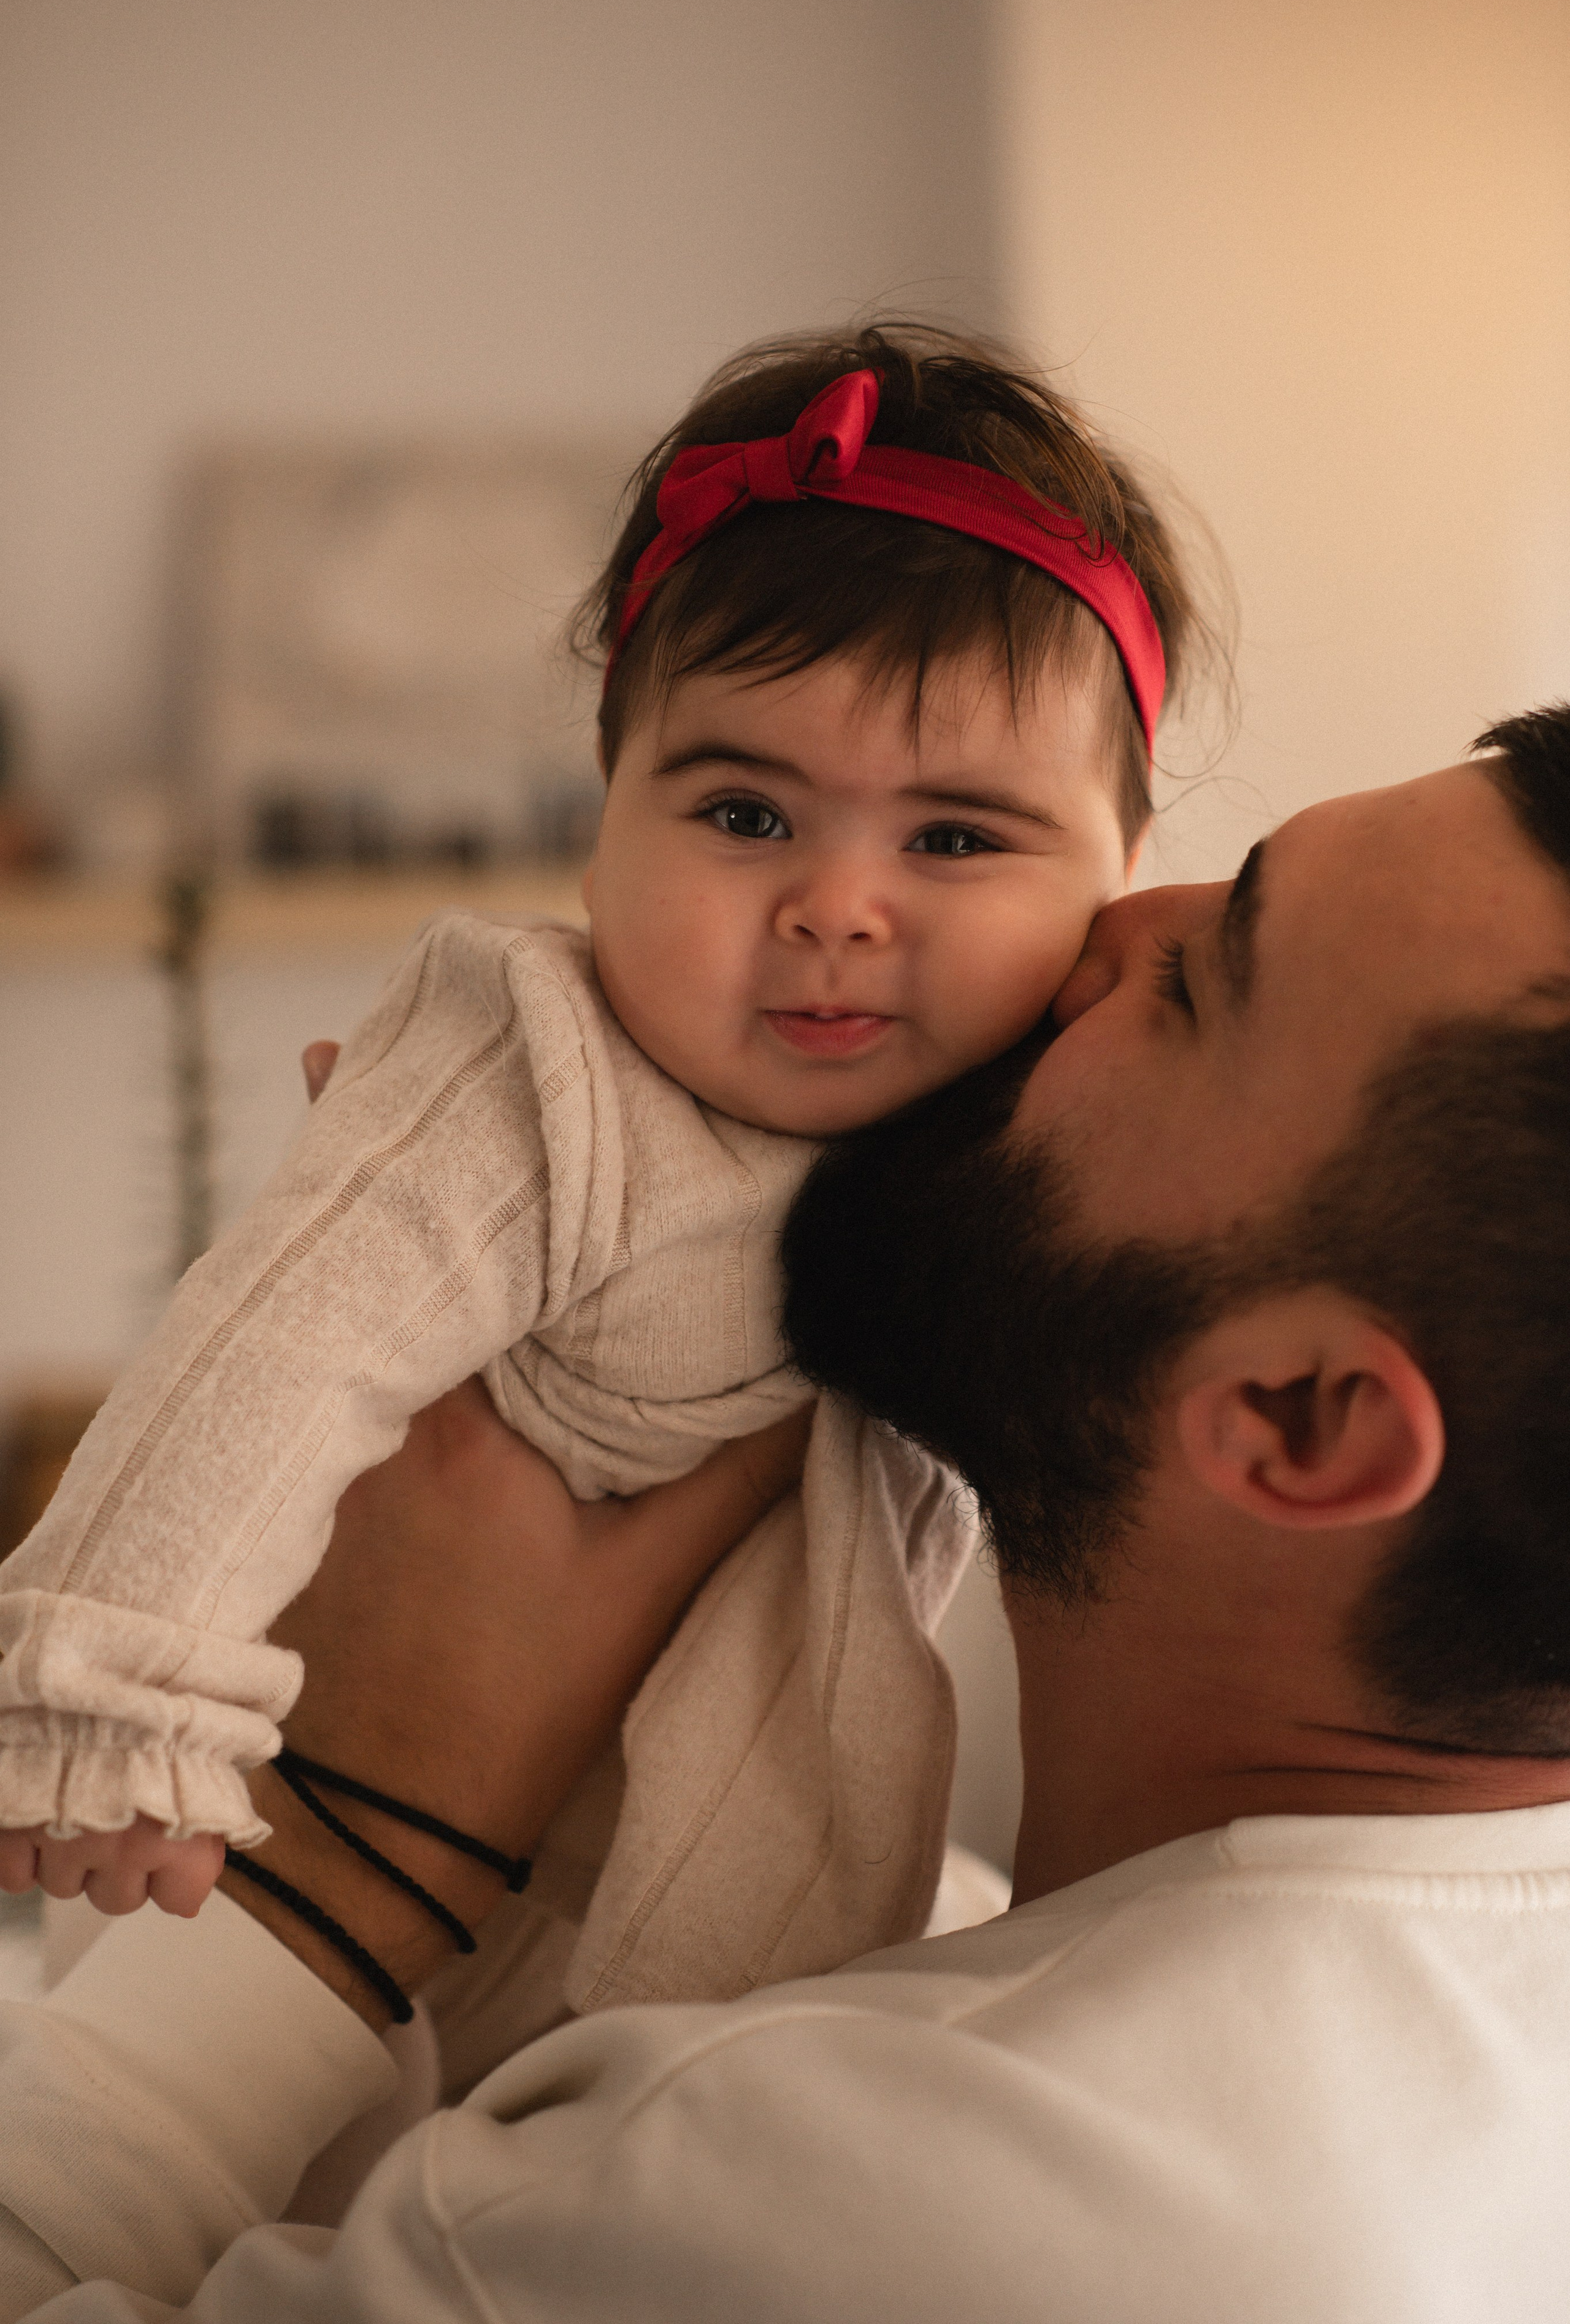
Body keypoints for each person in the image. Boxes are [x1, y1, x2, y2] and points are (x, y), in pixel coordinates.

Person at [2, 706, 1569, 2319]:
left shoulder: (877, 2194)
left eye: (1200, 982)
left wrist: (342, 1860)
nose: (1101, 931)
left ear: (1298, 1423)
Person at [0, 324, 1197, 2040]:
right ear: (605, 810)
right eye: (743, 814)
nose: (837, 907)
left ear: (1125, 882)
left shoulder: (1014, 1148)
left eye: (952, 839)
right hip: (321, 1925)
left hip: (732, 1951)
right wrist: (112, 1701)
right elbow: (267, 1356)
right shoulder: (532, 1069)